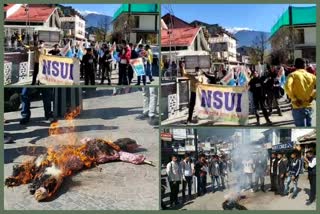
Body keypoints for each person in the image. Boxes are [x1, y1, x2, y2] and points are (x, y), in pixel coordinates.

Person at [284, 58, 316, 127]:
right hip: (309, 106)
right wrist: (312, 96)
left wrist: (294, 99)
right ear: (305, 66)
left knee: (300, 127)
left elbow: (287, 87)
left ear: (295, 66)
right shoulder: (312, 76)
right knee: (309, 127)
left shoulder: (293, 75)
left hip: (298, 106)